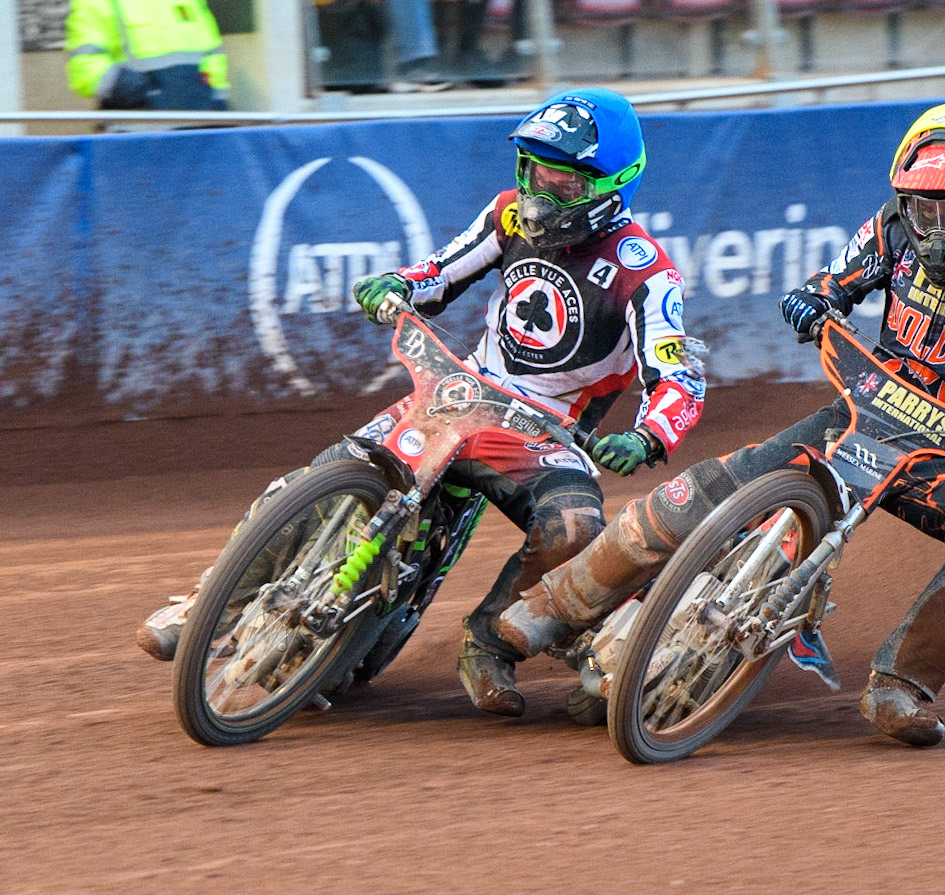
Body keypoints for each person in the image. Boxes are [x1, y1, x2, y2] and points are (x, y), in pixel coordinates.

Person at [493, 101, 945, 747]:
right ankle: (547, 608)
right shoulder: (891, 229)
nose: (934, 229)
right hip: (857, 409)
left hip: (944, 452)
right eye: (920, 208)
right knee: (703, 489)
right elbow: (835, 281)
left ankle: (901, 684)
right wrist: (814, 298)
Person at [136, 87, 706, 722]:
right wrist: (397, 284)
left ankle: (490, 640)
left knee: (573, 530)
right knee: (330, 468)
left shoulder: (646, 272)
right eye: (536, 172)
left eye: (564, 182)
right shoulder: (508, 215)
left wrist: (649, 435)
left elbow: (680, 377)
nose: (543, 192)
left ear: (613, 185)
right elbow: (439, 270)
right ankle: (213, 598)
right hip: (460, 392)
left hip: (545, 431)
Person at [65, 0, 229, 110]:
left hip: (202, 127)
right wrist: (130, 86)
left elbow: (212, 51)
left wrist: (215, 97)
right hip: (140, 134)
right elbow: (84, 67)